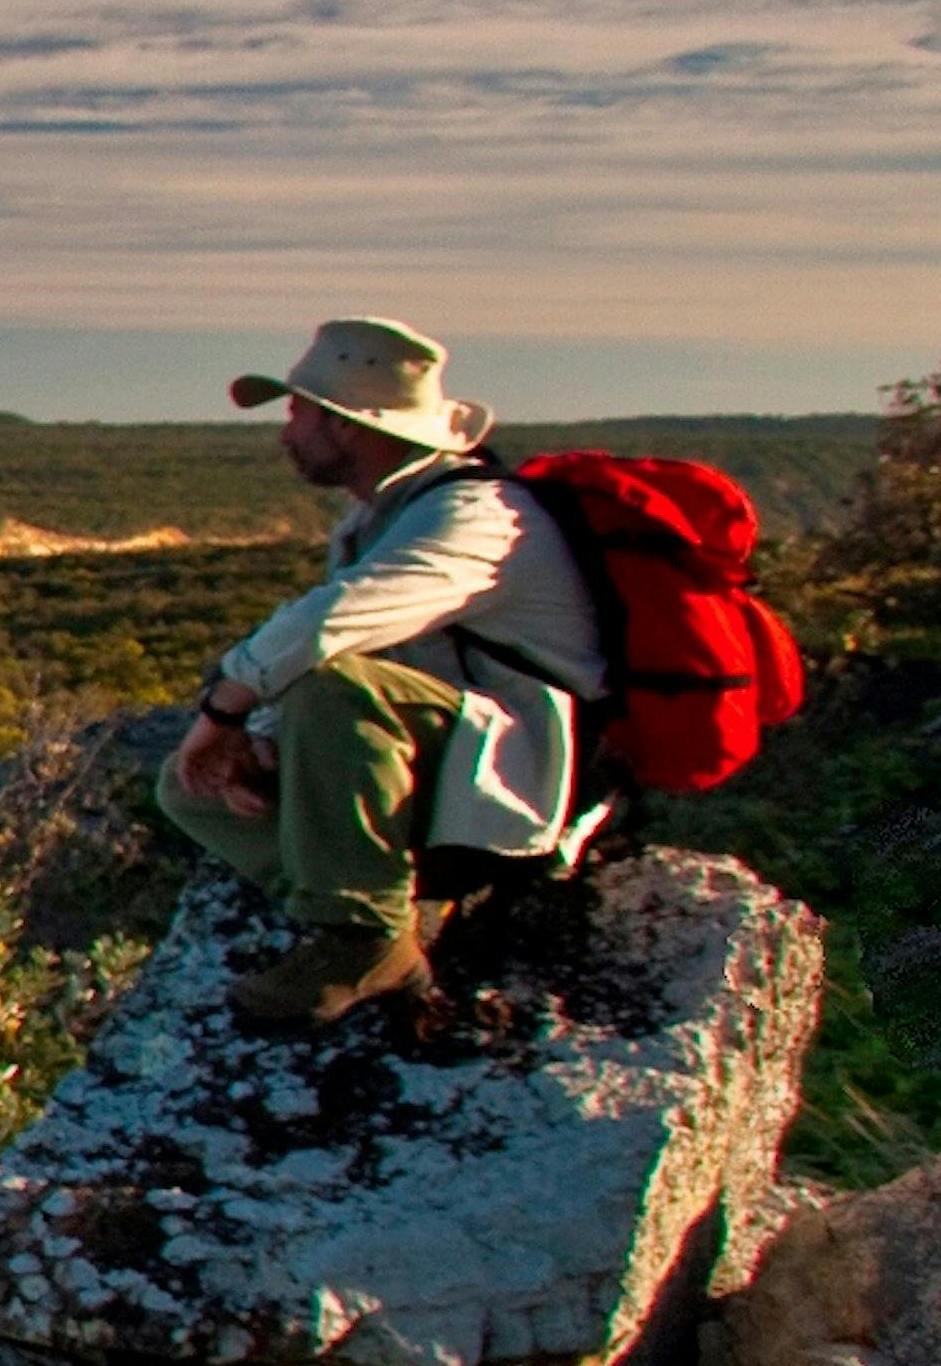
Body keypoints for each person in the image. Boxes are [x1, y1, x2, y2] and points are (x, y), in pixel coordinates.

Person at [160, 316, 612, 1030]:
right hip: (446, 766)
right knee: (191, 786)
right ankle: (369, 900)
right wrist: (265, 738)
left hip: (516, 782)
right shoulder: (387, 515)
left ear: (347, 426)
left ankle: (363, 935)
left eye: (298, 413)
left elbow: (334, 624)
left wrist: (224, 710)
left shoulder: (478, 518)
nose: (285, 432)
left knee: (333, 690)